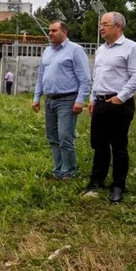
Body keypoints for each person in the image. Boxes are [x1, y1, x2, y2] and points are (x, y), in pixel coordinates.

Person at [86, 12, 136, 203]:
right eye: (100, 25)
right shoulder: (101, 49)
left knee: (119, 145)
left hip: (119, 103)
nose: (101, 28)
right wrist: (93, 98)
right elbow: (98, 76)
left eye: (105, 24)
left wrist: (121, 97)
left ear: (118, 26)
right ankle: (96, 182)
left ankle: (118, 186)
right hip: (101, 102)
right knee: (99, 144)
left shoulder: (131, 48)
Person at [32, 21, 91, 180]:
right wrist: (37, 97)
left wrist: (80, 100)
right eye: (49, 30)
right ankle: (58, 171)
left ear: (64, 32)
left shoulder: (75, 50)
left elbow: (85, 79)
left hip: (67, 100)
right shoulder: (47, 51)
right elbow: (41, 76)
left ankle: (69, 172)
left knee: (65, 136)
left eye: (54, 30)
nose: (50, 33)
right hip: (50, 100)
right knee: (53, 137)